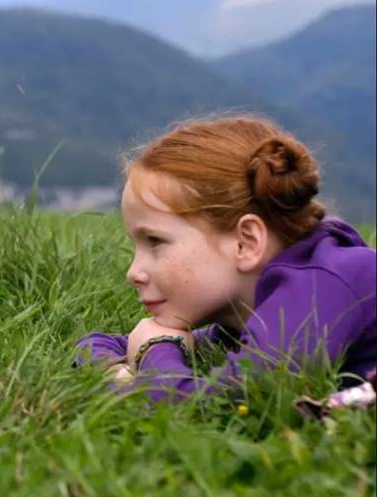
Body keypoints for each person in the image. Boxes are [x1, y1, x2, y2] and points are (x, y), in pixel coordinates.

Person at [76, 115, 376, 402]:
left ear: (246, 242)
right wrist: (124, 372)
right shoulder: (247, 311)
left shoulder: (320, 289)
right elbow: (95, 345)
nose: (134, 272)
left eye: (155, 241)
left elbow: (221, 406)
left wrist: (155, 351)